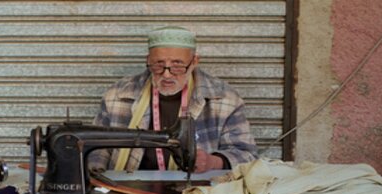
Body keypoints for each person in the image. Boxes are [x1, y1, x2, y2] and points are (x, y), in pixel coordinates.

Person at [90, 26, 258, 173]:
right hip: (129, 187)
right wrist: (97, 180)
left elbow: (247, 155)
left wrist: (212, 162)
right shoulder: (117, 95)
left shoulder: (224, 99)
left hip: (198, 192)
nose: (167, 74)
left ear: (194, 62)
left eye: (178, 65)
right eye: (158, 64)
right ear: (147, 60)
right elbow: (97, 150)